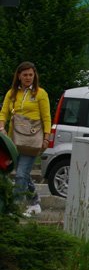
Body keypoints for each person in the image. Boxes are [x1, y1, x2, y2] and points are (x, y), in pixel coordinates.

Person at [0, 61, 51, 216]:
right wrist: (1, 127)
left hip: (32, 140)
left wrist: (46, 138)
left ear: (34, 76)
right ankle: (34, 202)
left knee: (21, 174)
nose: (28, 77)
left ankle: (14, 208)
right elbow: (3, 113)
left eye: (31, 74)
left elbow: (46, 117)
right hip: (14, 140)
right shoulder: (12, 93)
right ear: (19, 76)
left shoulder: (40, 94)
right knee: (24, 174)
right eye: (25, 75)